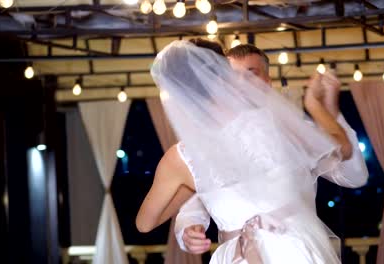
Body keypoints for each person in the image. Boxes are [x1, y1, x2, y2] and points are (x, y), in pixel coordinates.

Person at [136, 39, 368, 263]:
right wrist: (315, 105)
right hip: (293, 252)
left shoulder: (182, 158)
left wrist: (195, 183)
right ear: (222, 76)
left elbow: (145, 224)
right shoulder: (274, 122)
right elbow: (343, 147)